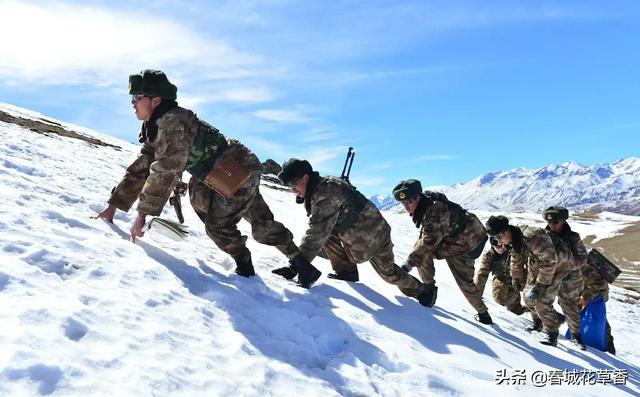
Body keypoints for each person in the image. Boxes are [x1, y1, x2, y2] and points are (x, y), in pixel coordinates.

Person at [96, 70, 320, 287]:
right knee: (242, 218)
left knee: (222, 226)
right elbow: (141, 168)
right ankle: (303, 268)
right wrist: (113, 206)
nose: (132, 102)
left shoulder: (174, 122)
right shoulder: (157, 126)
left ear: (155, 101)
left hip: (237, 171)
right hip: (215, 175)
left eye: (137, 97)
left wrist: (142, 215)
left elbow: (165, 170)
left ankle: (246, 268)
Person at [273, 159, 433, 306]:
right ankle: (346, 271)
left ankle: (424, 292)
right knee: (327, 235)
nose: (293, 189)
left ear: (306, 178)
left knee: (389, 273)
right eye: (289, 186)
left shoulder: (326, 193)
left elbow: (316, 232)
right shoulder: (321, 186)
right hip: (364, 233)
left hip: (372, 237)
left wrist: (297, 265)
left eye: (294, 183)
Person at [393, 179, 492, 324]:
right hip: (454, 238)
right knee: (421, 250)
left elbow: (428, 241)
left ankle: (484, 314)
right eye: (403, 203)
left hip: (469, 243)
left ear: (418, 198)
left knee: (464, 283)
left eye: (409, 202)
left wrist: (408, 264)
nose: (406, 206)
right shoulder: (426, 204)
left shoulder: (436, 211)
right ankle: (429, 288)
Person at [486, 215, 573, 346]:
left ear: (506, 232)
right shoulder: (514, 238)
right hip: (538, 262)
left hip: (559, 264)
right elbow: (516, 256)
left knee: (541, 300)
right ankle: (538, 322)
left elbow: (550, 261)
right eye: (495, 239)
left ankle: (552, 334)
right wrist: (516, 277)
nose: (499, 242)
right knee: (527, 296)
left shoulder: (532, 237)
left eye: (498, 237)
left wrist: (541, 285)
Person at [543, 206, 587, 349]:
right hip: (549, 276)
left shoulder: (573, 238)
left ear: (563, 221)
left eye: (555, 222)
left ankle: (576, 336)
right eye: (549, 222)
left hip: (570, 279)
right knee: (541, 301)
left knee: (569, 306)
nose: (551, 225)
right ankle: (550, 332)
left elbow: (582, 258)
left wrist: (567, 266)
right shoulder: (544, 236)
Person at [475, 237, 527, 315]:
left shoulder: (514, 250)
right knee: (500, 298)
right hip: (502, 278)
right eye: (497, 246)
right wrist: (477, 295)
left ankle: (537, 316)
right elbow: (482, 274)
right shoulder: (489, 255)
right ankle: (518, 307)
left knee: (531, 294)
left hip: (519, 276)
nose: (501, 248)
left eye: (502, 245)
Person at [581, 254, 616, 354]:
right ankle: (608, 342)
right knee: (599, 318)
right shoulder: (590, 266)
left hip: (595, 296)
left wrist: (584, 299)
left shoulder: (588, 270)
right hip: (596, 296)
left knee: (597, 318)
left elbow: (594, 288)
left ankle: (608, 342)